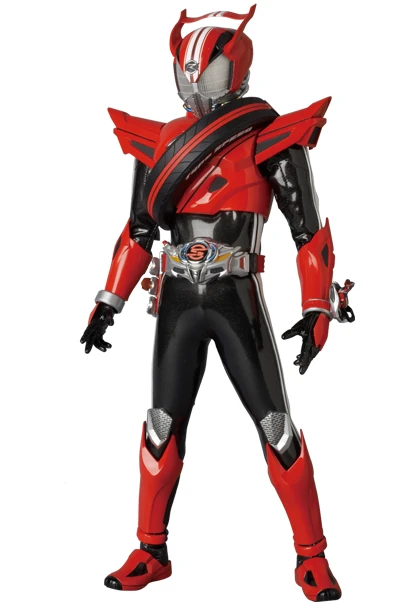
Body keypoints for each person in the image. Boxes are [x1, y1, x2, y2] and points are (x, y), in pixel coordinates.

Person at [81, 6, 354, 601]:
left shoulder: (270, 135)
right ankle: (151, 550)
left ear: (237, 72)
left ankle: (312, 556)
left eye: (206, 71)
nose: (195, 82)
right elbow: (138, 232)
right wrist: (108, 300)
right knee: (161, 426)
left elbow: (308, 234)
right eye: (188, 71)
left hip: (237, 296)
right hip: (177, 296)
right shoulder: (159, 144)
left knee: (276, 427)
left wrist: (318, 308)